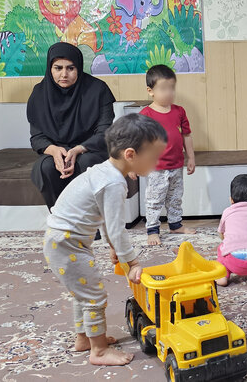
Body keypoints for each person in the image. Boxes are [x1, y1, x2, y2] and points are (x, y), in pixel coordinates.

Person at [42, 113, 167, 366]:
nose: (156, 164)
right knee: (94, 296)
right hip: (67, 243)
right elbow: (117, 228)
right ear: (130, 155)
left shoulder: (104, 171)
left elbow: (107, 223)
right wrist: (131, 263)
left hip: (62, 241)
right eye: (153, 158)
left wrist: (113, 247)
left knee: (82, 292)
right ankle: (98, 351)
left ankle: (84, 339)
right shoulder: (113, 184)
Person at [27, 42, 116, 209]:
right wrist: (54, 151)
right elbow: (37, 138)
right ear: (50, 68)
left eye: (70, 68)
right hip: (56, 150)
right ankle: (61, 218)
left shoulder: (98, 90)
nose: (64, 74)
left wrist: (78, 149)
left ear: (79, 68)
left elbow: (105, 133)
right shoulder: (39, 93)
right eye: (58, 68)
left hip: (91, 149)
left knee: (87, 164)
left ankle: (89, 222)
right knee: (46, 166)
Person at [139, 65, 196, 245]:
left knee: (175, 197)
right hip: (155, 168)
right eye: (163, 89)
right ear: (151, 91)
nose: (169, 92)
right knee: (155, 199)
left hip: (176, 165)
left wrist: (191, 158)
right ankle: (153, 230)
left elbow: (186, 135)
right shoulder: (146, 114)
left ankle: (175, 224)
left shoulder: (179, 111)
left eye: (172, 88)